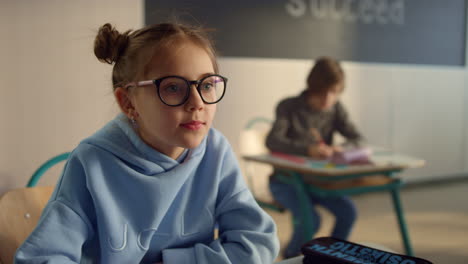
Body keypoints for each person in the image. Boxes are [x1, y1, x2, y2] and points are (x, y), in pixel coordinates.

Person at [15, 22, 279, 263]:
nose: (198, 102)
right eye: (173, 87)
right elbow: (42, 257)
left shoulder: (216, 151)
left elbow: (258, 242)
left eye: (207, 85)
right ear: (129, 102)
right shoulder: (91, 163)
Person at [265, 57, 363, 259]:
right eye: (322, 92)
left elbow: (357, 139)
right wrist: (307, 149)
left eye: (334, 92)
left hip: (318, 182)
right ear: (311, 87)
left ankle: (333, 256)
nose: (328, 98)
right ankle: (292, 256)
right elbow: (273, 141)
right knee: (312, 220)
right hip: (285, 182)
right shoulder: (288, 106)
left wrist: (339, 149)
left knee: (348, 213)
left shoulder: (336, 108)